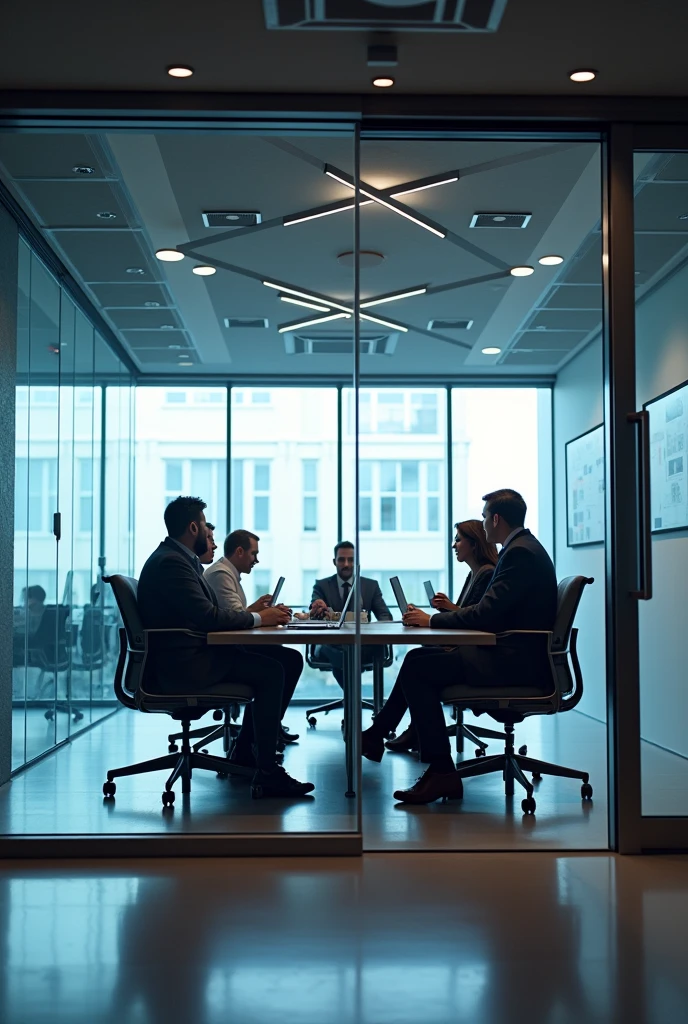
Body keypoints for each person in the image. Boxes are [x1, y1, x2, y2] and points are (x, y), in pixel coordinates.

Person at [361, 489, 557, 805]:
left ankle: (438, 770)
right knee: (419, 660)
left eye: (484, 517)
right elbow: (493, 614)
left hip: (513, 662)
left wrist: (430, 621)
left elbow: (487, 614)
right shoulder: (523, 549)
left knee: (418, 666)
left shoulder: (519, 553)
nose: (483, 524)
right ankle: (405, 747)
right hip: (512, 654)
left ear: (495, 519)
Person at [137, 496, 314, 798]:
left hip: (190, 654)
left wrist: (256, 616)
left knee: (286, 659)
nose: (208, 534)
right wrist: (259, 617)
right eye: (205, 526)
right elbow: (208, 616)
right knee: (272, 670)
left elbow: (206, 612)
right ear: (193, 526)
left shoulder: (176, 560)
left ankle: (246, 754)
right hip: (187, 666)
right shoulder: (172, 564)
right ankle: (267, 769)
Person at [384, 518, 499, 754]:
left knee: (418, 661)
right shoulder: (475, 574)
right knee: (419, 656)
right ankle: (406, 730)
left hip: (477, 657)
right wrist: (447, 608)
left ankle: (391, 730)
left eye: (458, 540)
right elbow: (469, 615)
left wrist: (434, 617)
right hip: (469, 650)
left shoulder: (486, 574)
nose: (454, 545)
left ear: (474, 544)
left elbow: (477, 622)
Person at [204, 528, 301, 750]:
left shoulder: (227, 574)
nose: (256, 560)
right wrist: (263, 617)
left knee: (289, 660)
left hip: (227, 647)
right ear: (239, 551)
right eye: (253, 554)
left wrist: (256, 610)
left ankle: (266, 730)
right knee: (285, 663)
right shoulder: (221, 574)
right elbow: (237, 622)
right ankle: (254, 741)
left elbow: (235, 615)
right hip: (221, 654)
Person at [310, 540, 392, 687]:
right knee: (344, 654)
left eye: (351, 560)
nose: (346, 564)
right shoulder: (321, 586)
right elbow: (315, 607)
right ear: (334, 562)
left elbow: (385, 616)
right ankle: (354, 701)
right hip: (332, 646)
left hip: (363, 645)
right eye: (341, 560)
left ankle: (352, 700)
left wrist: (372, 631)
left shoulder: (370, 586)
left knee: (358, 652)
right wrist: (318, 607)